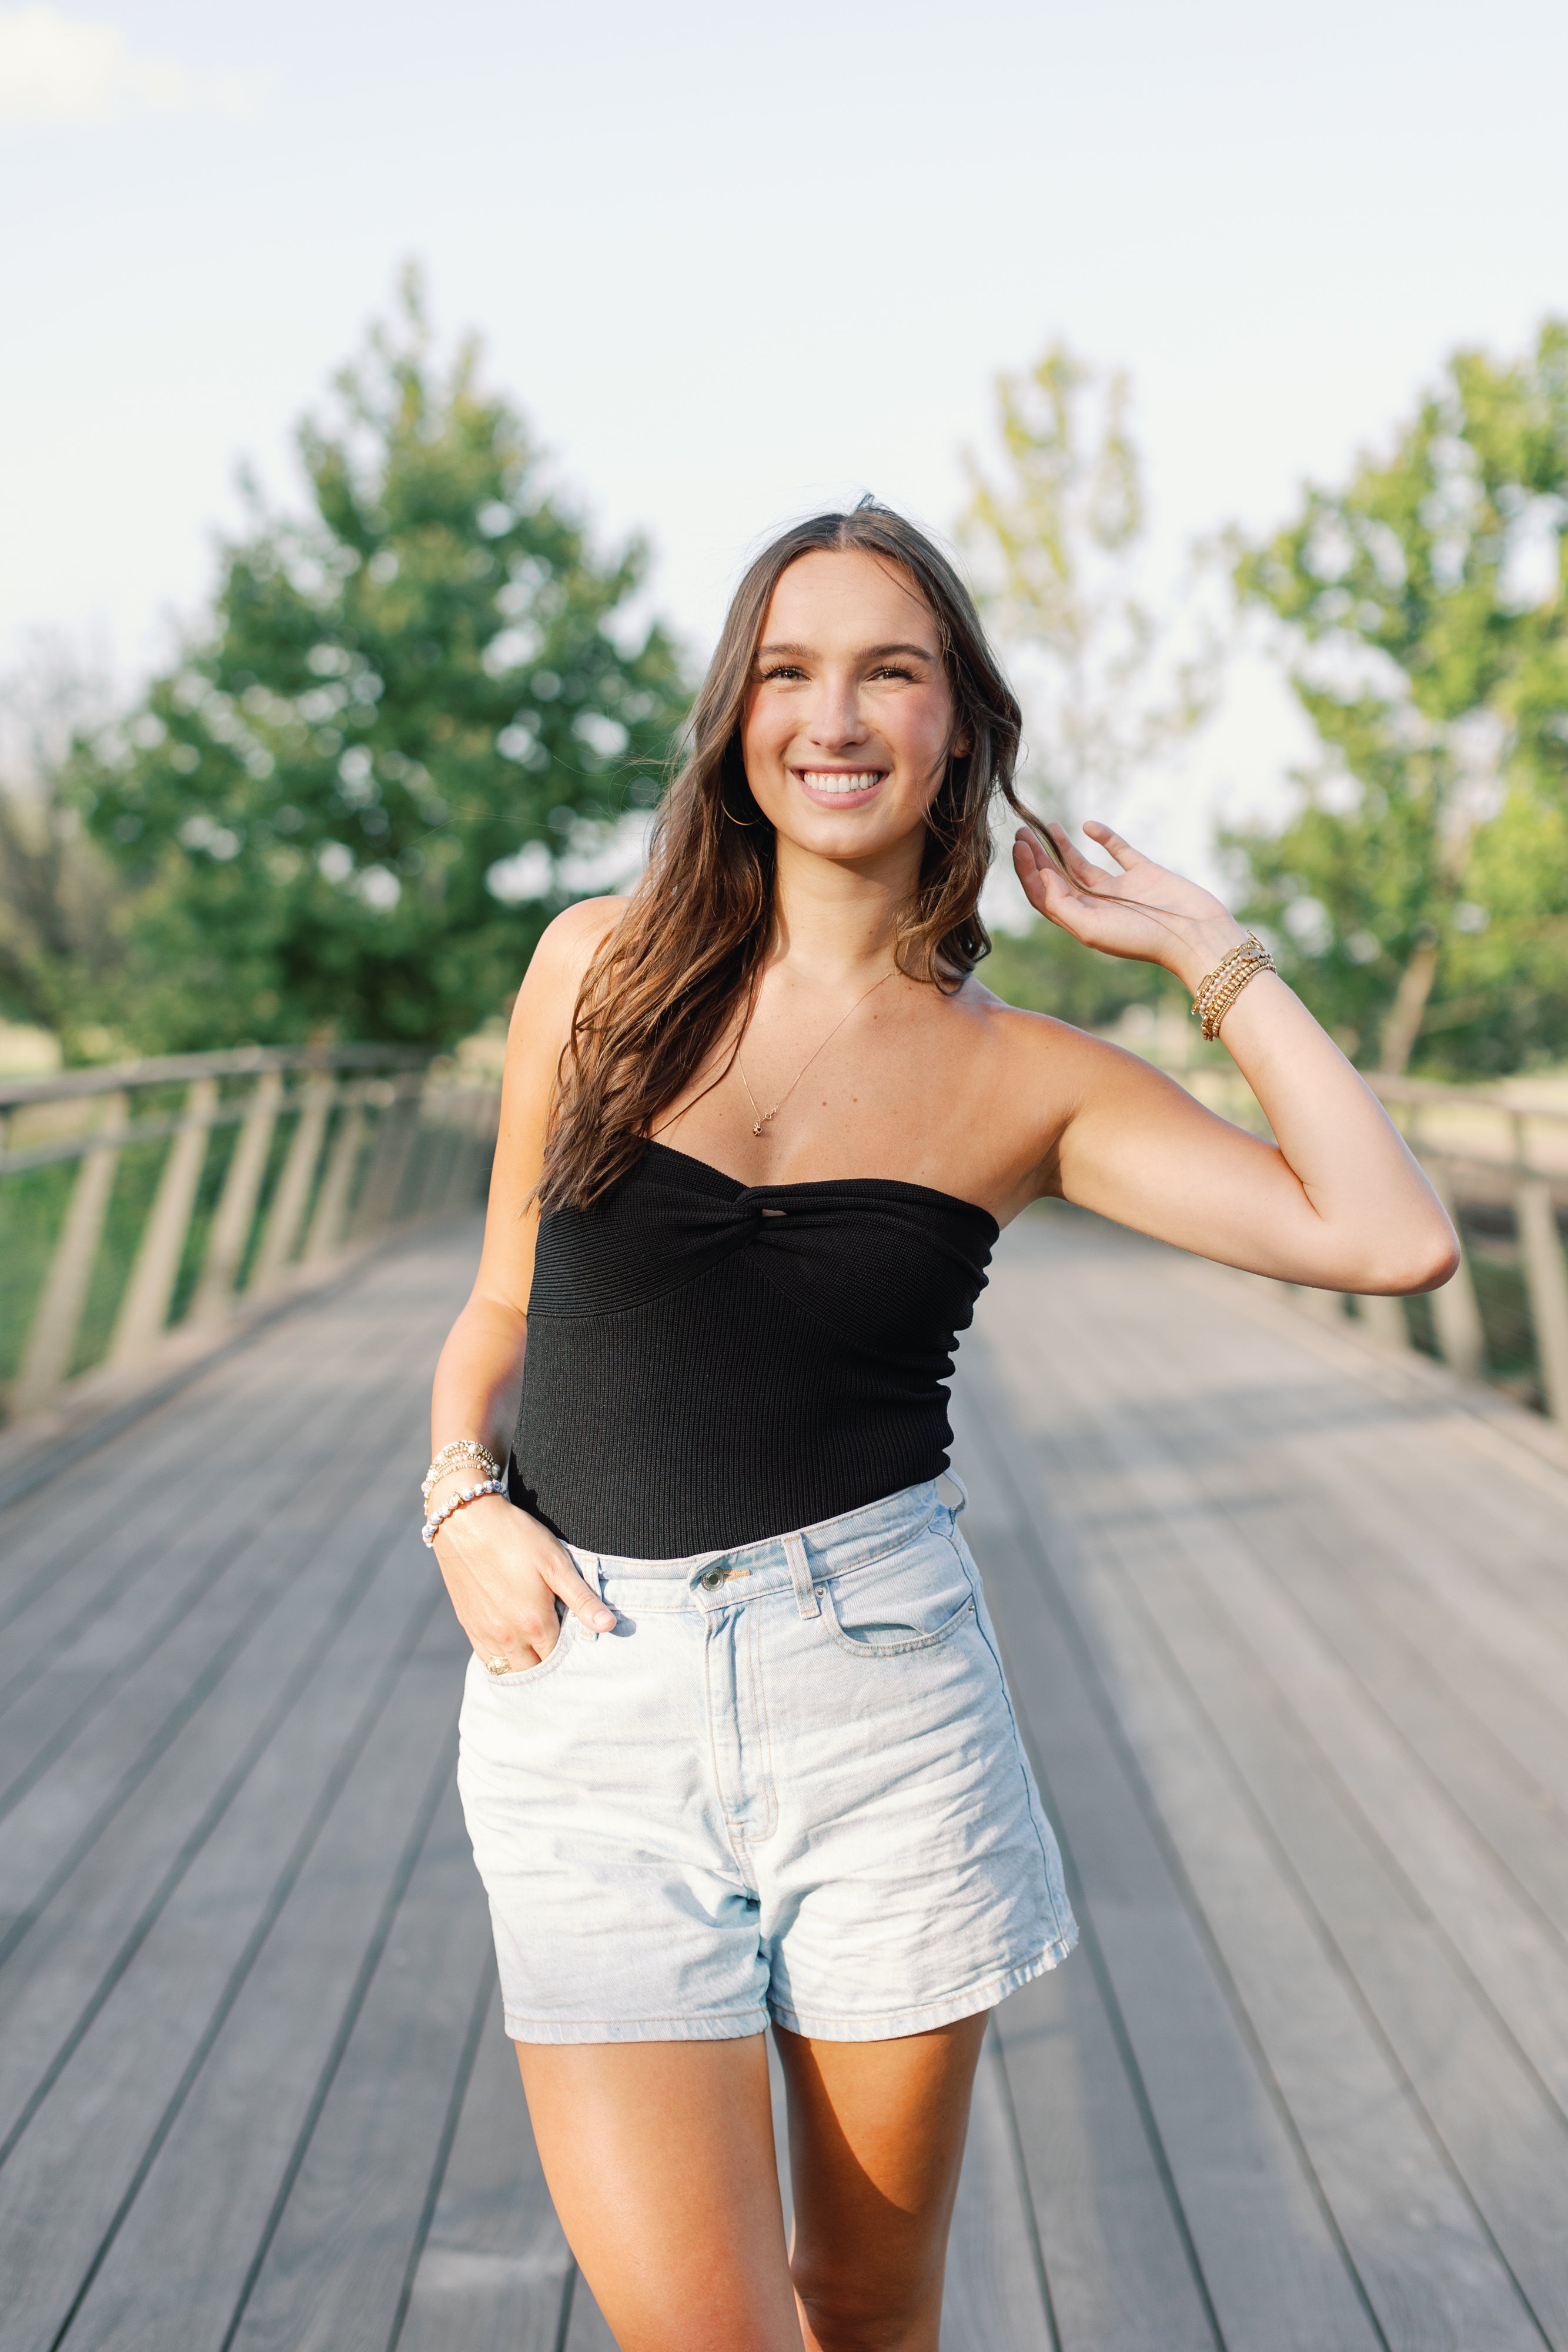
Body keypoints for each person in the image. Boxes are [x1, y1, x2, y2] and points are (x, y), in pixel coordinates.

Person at [424, 503, 1457, 2352]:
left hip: (877, 1706)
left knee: (867, 2309)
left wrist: (1208, 955)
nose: (835, 716)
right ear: (738, 718)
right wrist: (457, 1500)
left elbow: (1386, 1235)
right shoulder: (596, 971)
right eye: (789, 670)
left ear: (958, 723)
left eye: (889, 670)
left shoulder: (1026, 1077)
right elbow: (502, 1307)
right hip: (586, 1698)